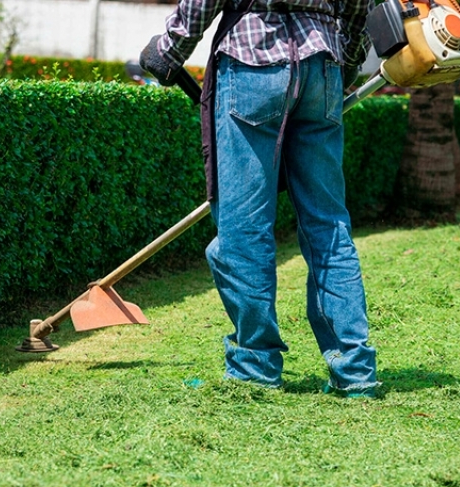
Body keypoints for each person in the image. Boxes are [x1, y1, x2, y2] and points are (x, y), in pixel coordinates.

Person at [140, 0, 380, 397]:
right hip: (322, 62)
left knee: (244, 226)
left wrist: (170, 48)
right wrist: (346, 61)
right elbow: (358, 6)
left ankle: (255, 364)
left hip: (253, 59)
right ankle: (355, 371)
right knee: (328, 224)